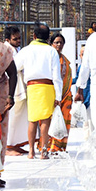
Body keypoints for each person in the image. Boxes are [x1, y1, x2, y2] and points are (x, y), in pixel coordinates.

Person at [15, 23, 63, 158]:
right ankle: (44, 150)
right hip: (47, 87)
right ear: (48, 38)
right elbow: (56, 76)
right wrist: (58, 96)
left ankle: (31, 151)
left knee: (32, 119)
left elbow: (15, 66)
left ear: (34, 36)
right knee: (45, 120)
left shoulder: (26, 50)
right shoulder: (51, 51)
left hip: (32, 87)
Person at [3, 26, 29, 155]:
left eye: (19, 38)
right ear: (7, 39)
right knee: (12, 117)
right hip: (12, 87)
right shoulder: (6, 49)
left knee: (19, 116)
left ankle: (16, 143)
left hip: (20, 85)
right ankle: (8, 146)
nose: (18, 41)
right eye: (15, 39)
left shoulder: (17, 49)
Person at [48, 32, 74, 154]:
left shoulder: (65, 60)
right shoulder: (49, 59)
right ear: (51, 44)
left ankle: (61, 147)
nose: (59, 45)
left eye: (61, 42)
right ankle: (51, 147)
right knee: (51, 121)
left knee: (64, 121)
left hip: (66, 96)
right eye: (56, 42)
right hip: (52, 95)